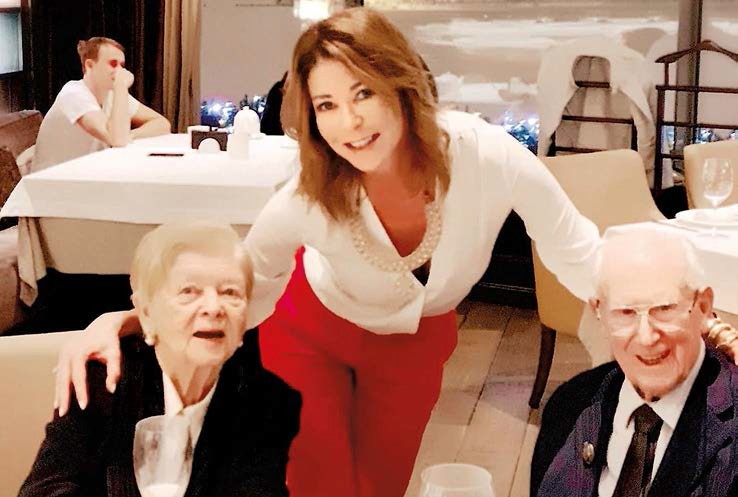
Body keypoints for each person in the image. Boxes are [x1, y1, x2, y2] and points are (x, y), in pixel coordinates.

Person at [55, 9, 606, 497]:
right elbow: (245, 276)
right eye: (327, 104)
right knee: (323, 486)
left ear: (401, 82)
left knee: (382, 486)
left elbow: (578, 250)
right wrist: (130, 319)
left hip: (416, 342)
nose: (350, 122)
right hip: (311, 332)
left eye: (364, 93)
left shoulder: (486, 157)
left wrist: (652, 325)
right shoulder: (308, 194)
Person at [20, 222, 301, 497]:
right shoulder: (104, 379)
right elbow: (45, 490)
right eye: (189, 291)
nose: (214, 308)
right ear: (146, 313)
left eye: (230, 292)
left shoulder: (267, 402)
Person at [531, 227, 738, 497]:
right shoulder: (569, 406)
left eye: (664, 309)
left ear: (702, 306)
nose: (646, 337)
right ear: (599, 312)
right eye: (625, 312)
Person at [32, 37, 171, 172]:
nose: (120, 71)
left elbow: (162, 123)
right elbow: (117, 140)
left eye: (122, 65)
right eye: (113, 64)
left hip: (86, 174)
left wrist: (130, 135)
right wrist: (121, 86)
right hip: (53, 179)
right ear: (89, 65)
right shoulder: (73, 93)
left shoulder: (111, 95)